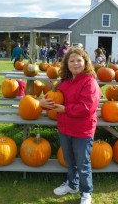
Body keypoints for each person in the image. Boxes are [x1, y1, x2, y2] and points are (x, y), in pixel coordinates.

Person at [39, 47, 102, 204]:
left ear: (85, 62)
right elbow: (53, 101)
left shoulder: (90, 83)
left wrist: (65, 109)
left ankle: (86, 192)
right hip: (65, 128)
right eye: (71, 61)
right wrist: (42, 103)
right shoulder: (64, 83)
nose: (75, 63)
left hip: (83, 130)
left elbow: (87, 108)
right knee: (69, 160)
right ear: (66, 64)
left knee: (83, 163)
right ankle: (72, 185)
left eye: (79, 60)